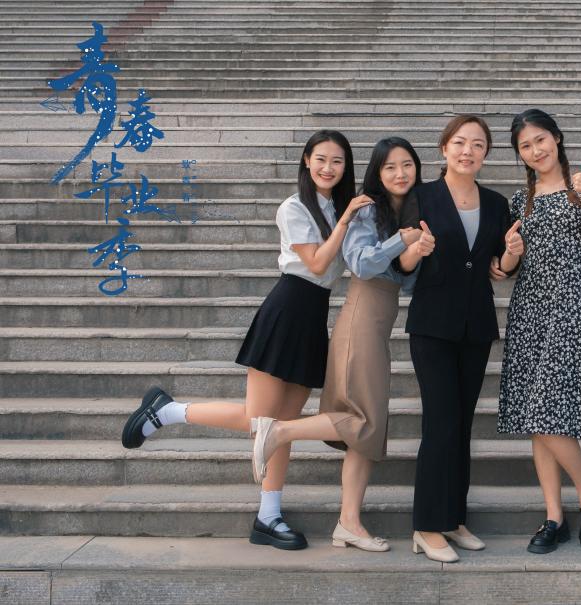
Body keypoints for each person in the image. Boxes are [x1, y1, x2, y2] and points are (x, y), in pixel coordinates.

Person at [121, 130, 368, 550]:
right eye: (321, 159)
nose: (329, 168)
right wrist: (346, 221)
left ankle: (268, 517)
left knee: (283, 427)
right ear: (306, 161)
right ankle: (168, 411)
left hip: (314, 316)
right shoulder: (294, 207)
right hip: (287, 308)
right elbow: (316, 262)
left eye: (337, 161)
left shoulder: (337, 208)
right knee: (260, 419)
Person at [250, 137, 425, 552]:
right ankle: (280, 429)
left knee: (368, 430)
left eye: (407, 165)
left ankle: (349, 522)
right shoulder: (366, 211)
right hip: (360, 319)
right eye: (390, 167)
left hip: (377, 322)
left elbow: (405, 280)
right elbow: (361, 263)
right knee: (364, 422)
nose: (400, 173)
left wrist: (416, 250)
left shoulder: (404, 213)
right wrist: (401, 241)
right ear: (376, 173)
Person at [396, 114, 520, 563]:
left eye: (478, 145)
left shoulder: (496, 203)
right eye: (460, 143)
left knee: (462, 424)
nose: (468, 151)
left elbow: (499, 268)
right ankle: (427, 526)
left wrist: (511, 255)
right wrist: (415, 251)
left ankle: (452, 518)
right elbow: (403, 262)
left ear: (486, 154)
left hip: (476, 325)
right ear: (444, 148)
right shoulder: (421, 196)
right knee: (440, 423)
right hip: (432, 324)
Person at [496, 109, 581, 554]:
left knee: (543, 409)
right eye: (525, 146)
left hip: (575, 307)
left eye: (540, 140)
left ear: (557, 138)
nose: (536, 150)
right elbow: (505, 268)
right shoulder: (520, 200)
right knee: (538, 418)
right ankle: (554, 515)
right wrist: (511, 252)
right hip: (531, 310)